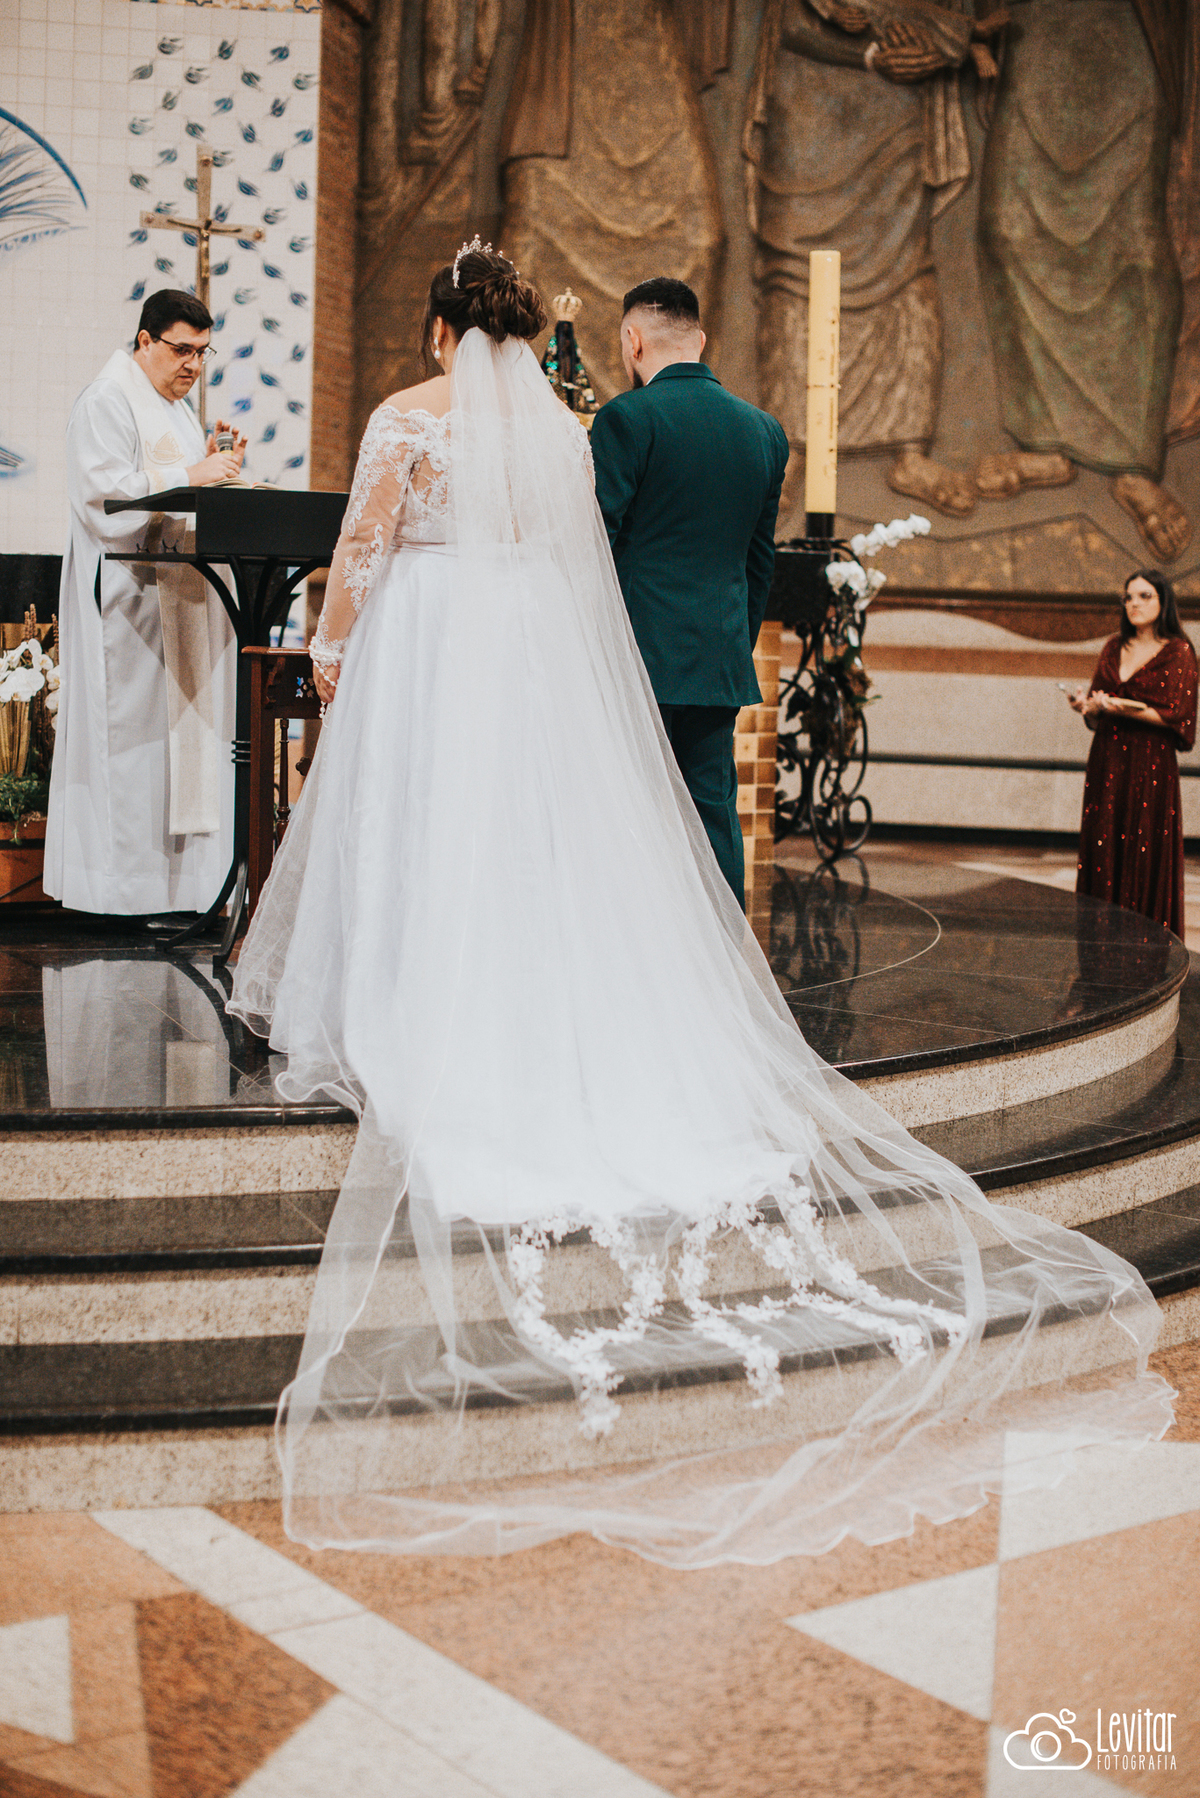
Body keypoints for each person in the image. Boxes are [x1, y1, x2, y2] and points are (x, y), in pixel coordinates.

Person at [229, 244, 1170, 1568]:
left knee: (421, 830)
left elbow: (362, 549)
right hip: (551, 653)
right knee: (535, 846)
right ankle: (560, 997)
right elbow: (584, 561)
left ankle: (412, 997)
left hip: (433, 644)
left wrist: (332, 658)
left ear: (442, 328)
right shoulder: (572, 431)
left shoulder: (411, 415)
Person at [589, 277, 789, 906]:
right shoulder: (764, 431)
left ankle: (632, 941)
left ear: (633, 340)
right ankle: (725, 950)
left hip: (635, 657)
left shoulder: (626, 419)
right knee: (712, 811)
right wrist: (733, 642)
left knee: (623, 807)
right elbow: (760, 561)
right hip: (717, 658)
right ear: (699, 340)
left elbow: (595, 543)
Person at [45, 289, 246, 917]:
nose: (193, 365)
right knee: (132, 745)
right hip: (129, 605)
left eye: (203, 353)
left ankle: (181, 891)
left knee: (177, 747)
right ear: (144, 340)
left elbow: (179, 486)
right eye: (182, 349)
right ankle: (121, 890)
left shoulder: (176, 408)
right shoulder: (107, 400)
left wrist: (215, 466)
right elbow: (103, 499)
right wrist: (191, 475)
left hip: (178, 599)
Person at [1070, 570, 1198, 936]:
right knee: (1104, 841)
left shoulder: (1179, 651)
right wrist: (1087, 706)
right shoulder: (1114, 646)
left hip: (1150, 762)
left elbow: (1178, 716)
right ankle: (1100, 936)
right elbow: (1097, 709)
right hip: (1107, 757)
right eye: (1128, 597)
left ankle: (1144, 940)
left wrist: (1121, 707)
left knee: (1144, 846)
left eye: (1144, 596)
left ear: (1163, 602)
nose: (1134, 604)